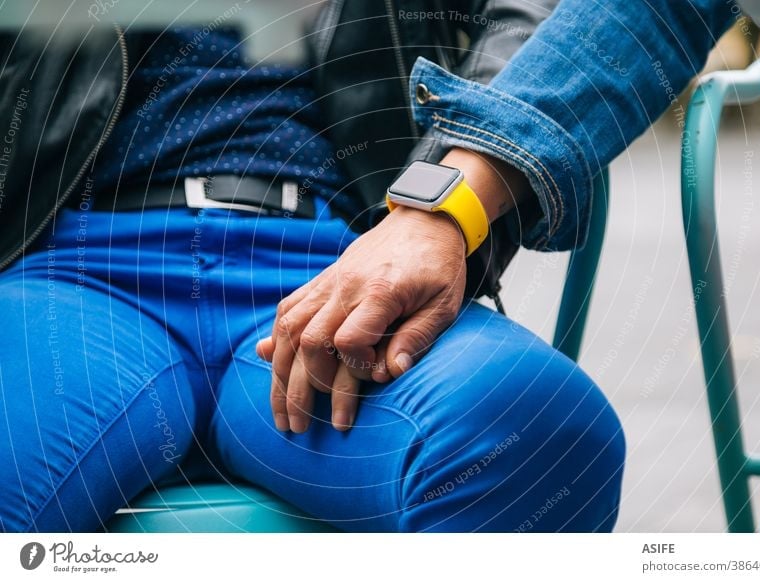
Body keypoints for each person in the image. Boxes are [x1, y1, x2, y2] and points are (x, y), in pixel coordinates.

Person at [0, 0, 626, 533]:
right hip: (76, 269)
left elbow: (546, 24)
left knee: (534, 428)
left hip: (342, 265)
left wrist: (441, 198)